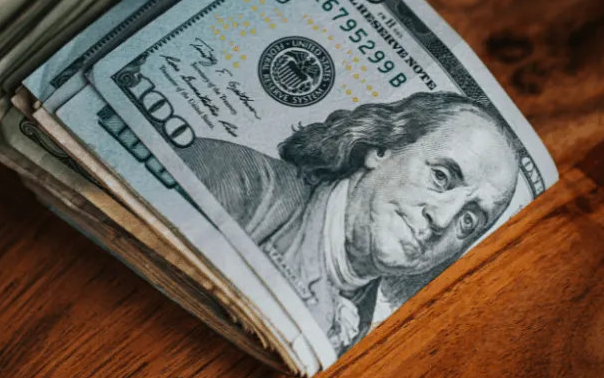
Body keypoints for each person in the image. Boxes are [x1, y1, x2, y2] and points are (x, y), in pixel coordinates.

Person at [178, 91, 520, 354]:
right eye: (442, 177)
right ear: (382, 149)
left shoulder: (364, 326)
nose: (443, 219)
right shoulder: (233, 179)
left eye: (470, 220)